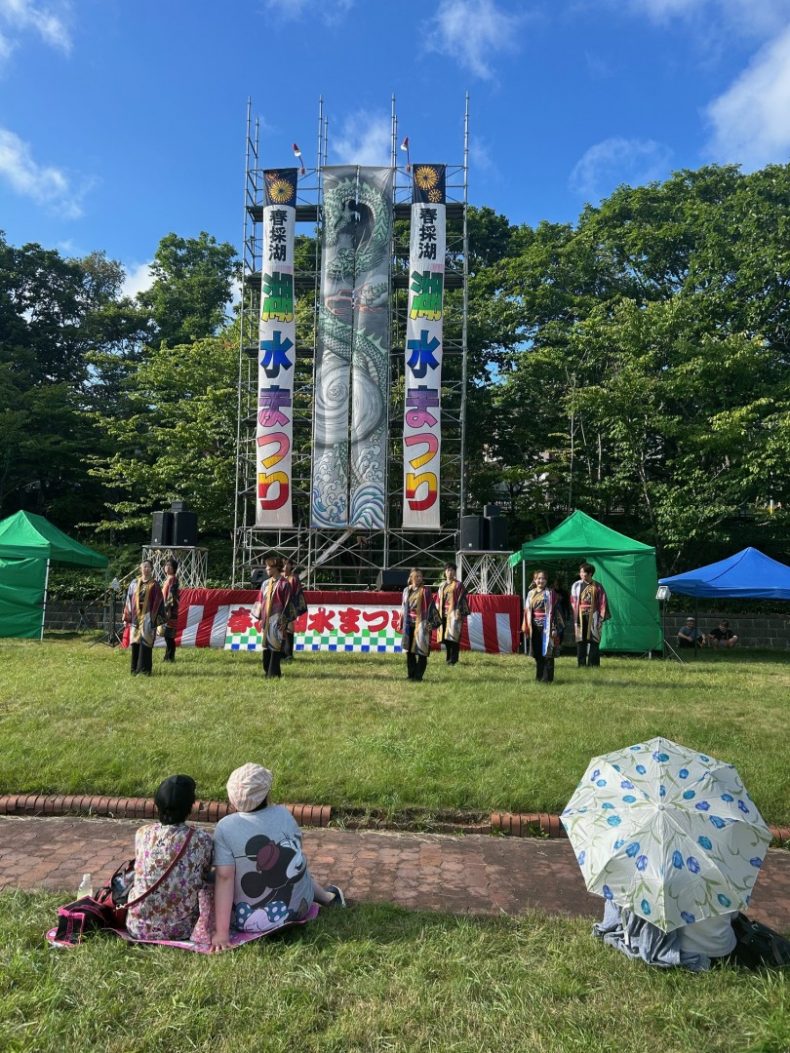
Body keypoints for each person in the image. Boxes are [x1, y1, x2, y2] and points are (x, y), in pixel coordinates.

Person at [210, 763, 345, 952]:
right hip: (299, 909)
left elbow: (224, 877)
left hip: (246, 921)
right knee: (296, 865)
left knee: (215, 875)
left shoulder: (225, 827)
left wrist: (222, 933)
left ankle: (327, 897)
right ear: (266, 793)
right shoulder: (283, 813)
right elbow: (296, 851)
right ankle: (329, 898)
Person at [125, 774, 213, 941]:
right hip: (181, 929)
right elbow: (205, 873)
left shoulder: (142, 833)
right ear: (190, 807)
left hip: (138, 927)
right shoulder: (202, 839)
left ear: (157, 805)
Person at [254, 556, 296, 679]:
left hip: (277, 619)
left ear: (276, 568)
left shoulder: (284, 584)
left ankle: (273, 673)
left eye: (268, 567)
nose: (266, 569)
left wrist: (284, 621)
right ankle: (267, 670)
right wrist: (260, 617)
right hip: (266, 619)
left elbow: (288, 603)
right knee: (266, 646)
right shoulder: (265, 584)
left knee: (275, 646)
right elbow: (260, 601)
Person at [398, 568, 440, 682]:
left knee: (422, 651)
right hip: (409, 624)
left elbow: (431, 607)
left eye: (420, 576)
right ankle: (411, 674)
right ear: (411, 577)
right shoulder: (406, 590)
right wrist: (400, 619)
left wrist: (430, 623)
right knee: (409, 651)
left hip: (422, 624)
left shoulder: (426, 591)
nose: (419, 578)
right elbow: (403, 606)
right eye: (416, 576)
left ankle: (418, 676)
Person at [123, 559, 164, 676]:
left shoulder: (155, 585)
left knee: (146, 643)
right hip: (135, 618)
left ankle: (145, 670)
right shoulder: (134, 583)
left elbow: (159, 603)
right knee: (135, 643)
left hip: (148, 618)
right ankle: (134, 670)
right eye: (144, 566)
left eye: (148, 567)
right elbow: (128, 600)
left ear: (151, 569)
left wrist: (157, 622)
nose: (146, 569)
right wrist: (127, 617)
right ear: (140, 568)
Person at [522, 569, 564, 683]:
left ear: (546, 580)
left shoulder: (551, 593)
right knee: (537, 653)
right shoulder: (530, 593)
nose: (541, 581)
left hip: (548, 627)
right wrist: (526, 627)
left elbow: (556, 612)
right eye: (538, 578)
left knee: (548, 653)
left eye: (543, 578)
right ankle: (539, 677)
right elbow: (527, 611)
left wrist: (554, 628)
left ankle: (548, 679)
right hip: (534, 627)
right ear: (534, 580)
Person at [570, 562, 610, 667]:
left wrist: (601, 616)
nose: (581, 574)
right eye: (580, 572)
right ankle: (581, 664)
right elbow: (573, 601)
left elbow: (603, 602)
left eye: (584, 572)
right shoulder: (576, 585)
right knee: (580, 640)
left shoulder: (598, 586)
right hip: (580, 615)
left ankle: (593, 664)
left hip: (594, 615)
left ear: (590, 573)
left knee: (594, 640)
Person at [435, 562, 470, 666]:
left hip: (454, 615)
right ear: (445, 572)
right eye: (448, 570)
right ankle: (448, 658)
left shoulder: (459, 585)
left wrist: (459, 612)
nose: (450, 572)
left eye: (452, 570)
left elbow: (462, 599)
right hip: (443, 615)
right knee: (445, 638)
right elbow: (438, 600)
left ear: (455, 572)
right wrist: (436, 612)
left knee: (454, 637)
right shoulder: (442, 586)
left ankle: (454, 659)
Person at [281, 559, 307, 660]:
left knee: (289, 628)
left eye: (287, 564)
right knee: (280, 629)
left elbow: (297, 593)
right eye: (283, 564)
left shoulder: (294, 578)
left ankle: (288, 654)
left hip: (290, 606)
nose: (285, 566)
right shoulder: (278, 577)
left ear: (291, 566)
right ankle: (280, 653)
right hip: (279, 607)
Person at [161, 557, 180, 662]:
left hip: (171, 610)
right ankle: (168, 656)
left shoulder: (173, 579)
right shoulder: (168, 579)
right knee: (167, 635)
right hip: (166, 608)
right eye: (166, 565)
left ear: (174, 568)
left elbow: (171, 595)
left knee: (169, 635)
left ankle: (170, 657)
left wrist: (168, 609)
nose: (167, 567)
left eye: (170, 566)